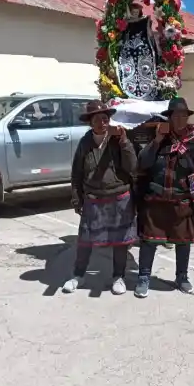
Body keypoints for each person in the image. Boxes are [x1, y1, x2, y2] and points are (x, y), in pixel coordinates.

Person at [135, 97, 194, 298]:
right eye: (175, 116)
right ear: (169, 118)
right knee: (148, 241)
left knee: (183, 241)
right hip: (155, 202)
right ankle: (144, 276)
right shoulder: (160, 139)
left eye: (182, 116)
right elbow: (143, 164)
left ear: (187, 118)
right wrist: (157, 141)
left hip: (182, 203)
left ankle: (182, 276)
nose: (179, 119)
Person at [64, 100, 138, 295]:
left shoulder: (118, 140)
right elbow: (76, 173)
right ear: (90, 122)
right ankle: (78, 275)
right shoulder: (85, 143)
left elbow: (132, 167)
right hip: (93, 199)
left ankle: (118, 277)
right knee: (85, 240)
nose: (102, 123)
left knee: (120, 241)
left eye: (105, 119)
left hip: (119, 197)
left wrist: (124, 142)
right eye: (97, 119)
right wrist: (76, 198)